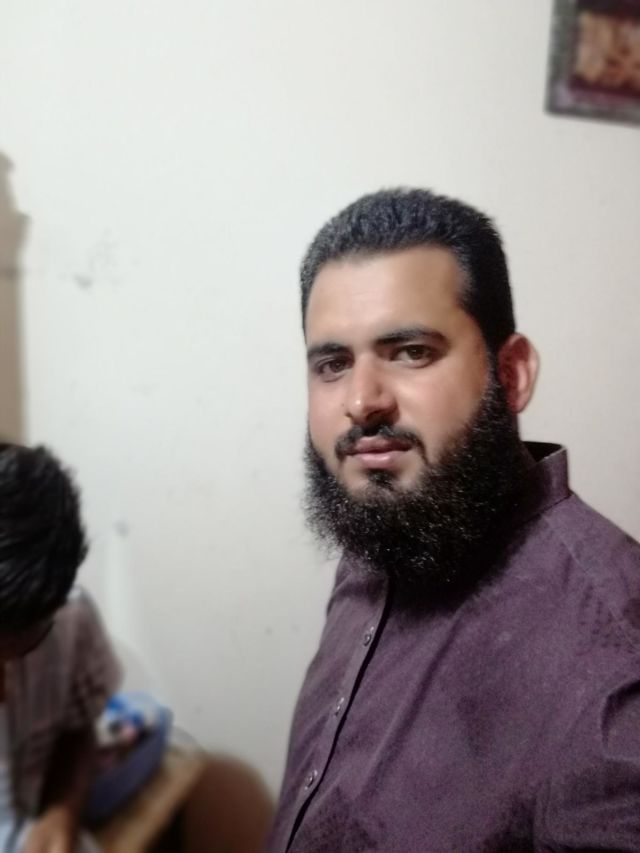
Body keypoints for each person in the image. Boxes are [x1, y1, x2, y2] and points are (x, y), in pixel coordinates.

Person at [267, 188, 640, 851]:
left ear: (512, 373)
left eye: (411, 351)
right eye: (332, 364)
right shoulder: (390, 525)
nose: (362, 401)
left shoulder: (615, 660)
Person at [0, 443, 120, 852]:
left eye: (19, 652)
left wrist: (62, 811)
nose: (2, 691)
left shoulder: (73, 619)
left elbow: (78, 731)